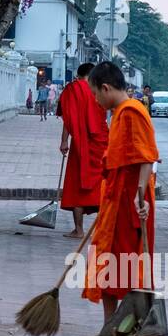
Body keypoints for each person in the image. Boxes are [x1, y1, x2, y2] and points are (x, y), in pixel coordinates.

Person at [81, 63, 159, 336]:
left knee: (125, 267)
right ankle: (109, 329)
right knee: (107, 264)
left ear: (105, 88)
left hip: (131, 203)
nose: (96, 101)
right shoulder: (119, 114)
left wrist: (141, 200)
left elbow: (146, 157)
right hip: (116, 198)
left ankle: (130, 333)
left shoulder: (132, 113)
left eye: (95, 95)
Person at [58, 62, 109, 239]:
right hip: (101, 142)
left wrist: (64, 140)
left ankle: (79, 230)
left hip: (80, 144)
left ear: (79, 75)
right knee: (105, 184)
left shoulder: (73, 89)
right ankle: (105, 230)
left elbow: (68, 116)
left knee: (76, 185)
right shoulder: (101, 89)